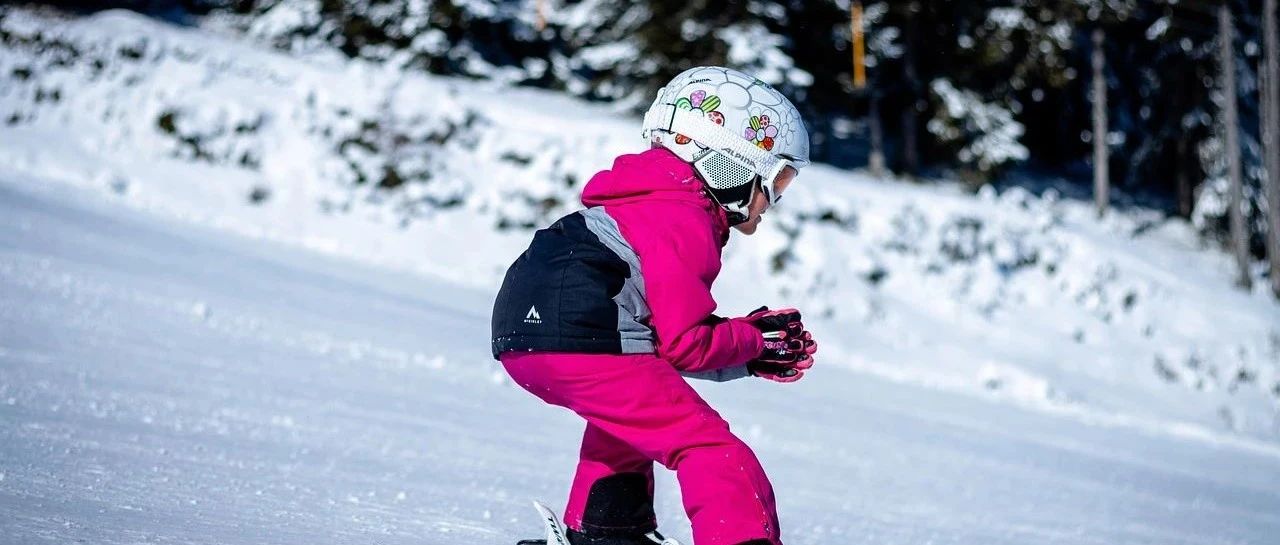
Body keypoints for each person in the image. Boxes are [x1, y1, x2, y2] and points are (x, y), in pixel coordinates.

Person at [491, 66, 817, 545]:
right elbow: (687, 346)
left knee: (630, 422)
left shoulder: (641, 202)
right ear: (731, 165)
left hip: (525, 336)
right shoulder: (682, 217)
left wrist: (746, 349)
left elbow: (660, 346)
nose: (770, 203)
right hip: (582, 332)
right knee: (709, 448)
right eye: (777, 183)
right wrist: (754, 340)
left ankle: (609, 530)